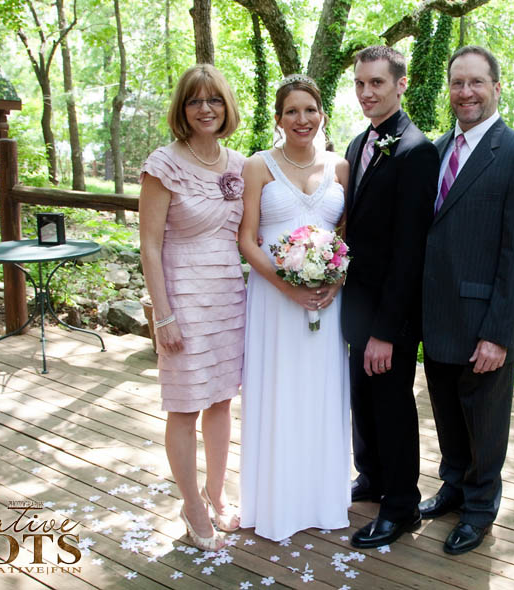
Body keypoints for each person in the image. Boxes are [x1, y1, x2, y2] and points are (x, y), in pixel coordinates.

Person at [419, 45, 514, 555]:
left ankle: (478, 509)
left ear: (496, 88)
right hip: (437, 317)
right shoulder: (434, 151)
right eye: (458, 83)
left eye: (476, 82)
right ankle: (453, 487)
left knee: (485, 424)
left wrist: (499, 333)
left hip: (484, 323)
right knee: (448, 417)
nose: (465, 92)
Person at [238, 75, 351, 541]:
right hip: (274, 299)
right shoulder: (257, 166)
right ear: (278, 118)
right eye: (291, 111)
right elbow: (247, 239)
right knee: (278, 391)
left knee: (320, 393)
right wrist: (287, 286)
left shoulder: (341, 166)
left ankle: (321, 500)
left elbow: (347, 235)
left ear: (322, 114)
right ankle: (275, 502)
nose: (301, 119)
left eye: (310, 110)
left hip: (327, 300)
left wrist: (336, 279)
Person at [139, 64, 246, 551]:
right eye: (195, 100)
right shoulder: (164, 164)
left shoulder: (240, 164)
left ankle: (216, 494)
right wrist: (163, 316)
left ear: (227, 106)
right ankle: (192, 506)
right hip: (182, 298)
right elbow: (149, 246)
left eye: (215, 100)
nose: (206, 109)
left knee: (221, 401)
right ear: (182, 109)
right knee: (184, 407)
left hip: (228, 298)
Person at [341, 46, 439, 549]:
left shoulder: (417, 151)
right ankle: (372, 477)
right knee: (363, 399)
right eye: (360, 83)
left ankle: (401, 506)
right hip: (356, 306)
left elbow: (409, 251)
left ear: (401, 84)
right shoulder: (359, 143)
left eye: (376, 82)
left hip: (390, 315)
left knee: (392, 405)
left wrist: (386, 331)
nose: (366, 92)